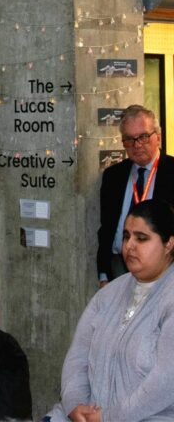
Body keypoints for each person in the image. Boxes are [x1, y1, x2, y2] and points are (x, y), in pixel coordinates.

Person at [44, 199, 174, 421]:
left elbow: (165, 382)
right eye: (126, 236)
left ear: (169, 244)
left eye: (141, 238)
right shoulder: (108, 294)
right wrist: (75, 404)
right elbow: (77, 359)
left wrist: (109, 416)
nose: (129, 246)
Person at [97, 104, 174, 286]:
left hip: (164, 270)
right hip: (119, 267)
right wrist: (103, 273)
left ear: (159, 137)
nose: (137, 145)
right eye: (129, 139)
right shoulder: (112, 176)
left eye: (144, 137)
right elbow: (106, 228)